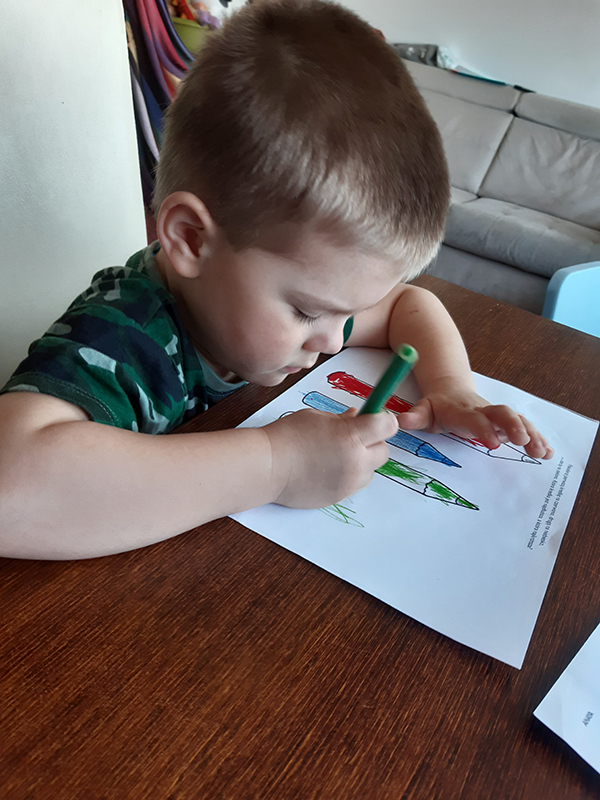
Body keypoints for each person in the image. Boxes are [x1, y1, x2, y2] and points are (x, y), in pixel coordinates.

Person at [0, 0, 552, 560]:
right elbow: (12, 490)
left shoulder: (291, 293)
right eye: (308, 312)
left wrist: (452, 389)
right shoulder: (123, 337)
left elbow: (408, 305)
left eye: (346, 312)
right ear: (191, 239)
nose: (333, 341)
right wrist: (278, 465)